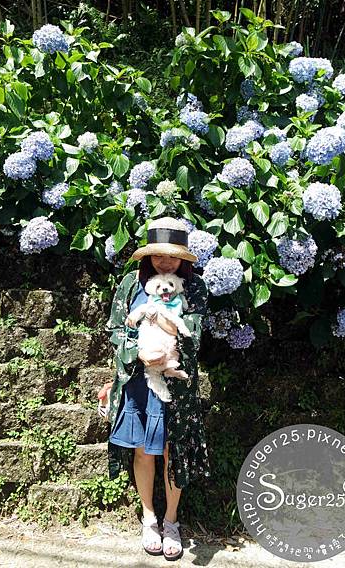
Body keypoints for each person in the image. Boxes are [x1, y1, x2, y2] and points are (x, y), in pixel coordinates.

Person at [101, 216, 211, 561]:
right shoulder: (129, 284)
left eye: (173, 257)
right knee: (143, 451)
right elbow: (115, 329)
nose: (165, 262)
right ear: (148, 256)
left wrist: (157, 318)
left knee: (172, 451)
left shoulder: (195, 288)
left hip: (177, 386)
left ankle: (171, 521)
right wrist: (138, 353)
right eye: (159, 255)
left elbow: (193, 335)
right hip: (138, 380)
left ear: (183, 260)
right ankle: (149, 517)